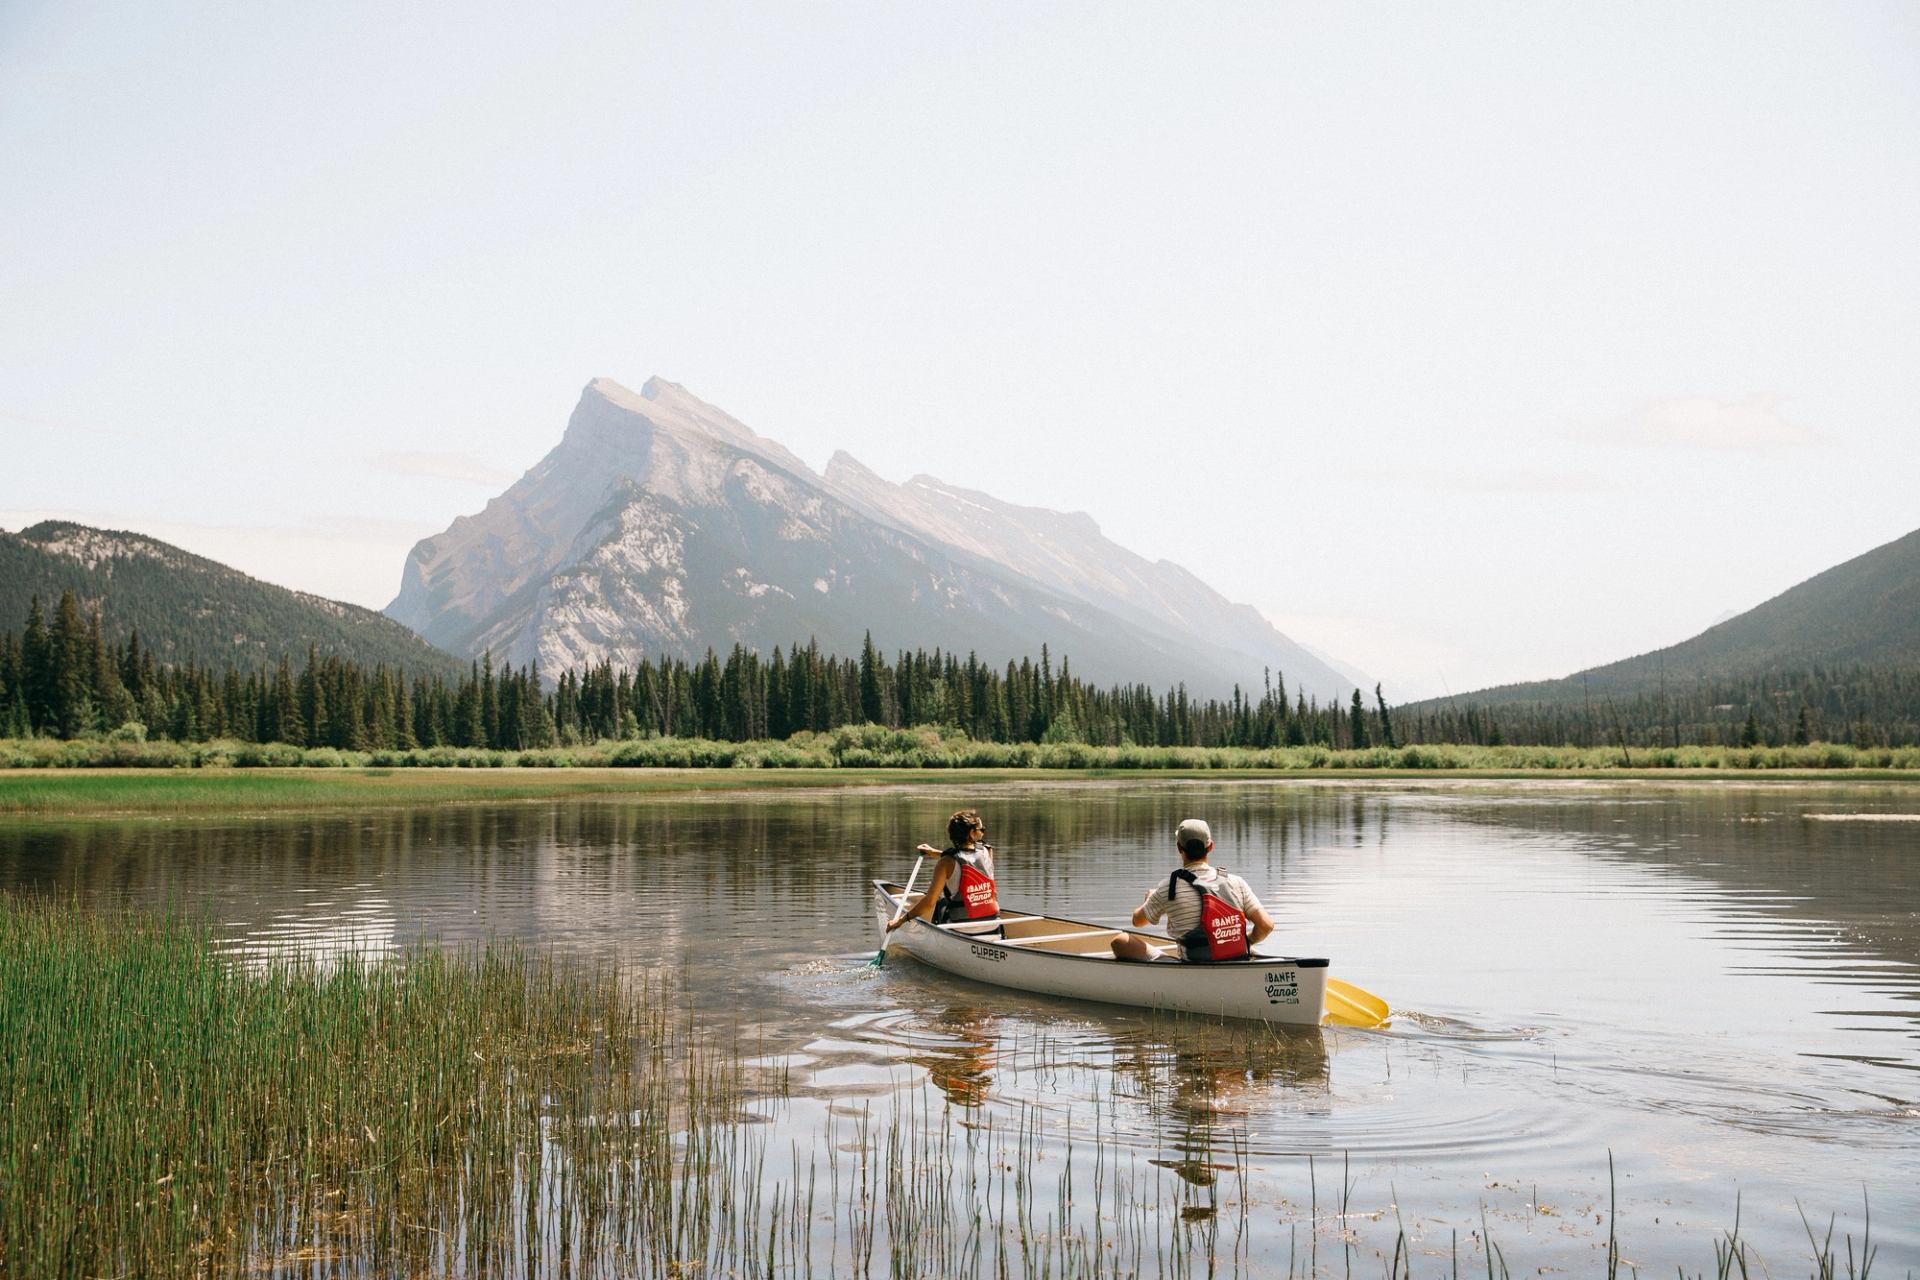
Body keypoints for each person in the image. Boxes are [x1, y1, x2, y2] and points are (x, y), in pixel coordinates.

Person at [1110, 818, 1275, 962]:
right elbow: (1266, 925)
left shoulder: (1169, 887)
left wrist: (1149, 900)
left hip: (1194, 964)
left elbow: (1137, 922)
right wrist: (1247, 941)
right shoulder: (1236, 882)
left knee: (1120, 940)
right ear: (1210, 847)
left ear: (1179, 848)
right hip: (1236, 958)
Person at [885, 808, 1000, 935]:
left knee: (940, 903)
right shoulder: (987, 852)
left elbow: (929, 902)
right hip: (993, 925)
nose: (983, 833)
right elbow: (970, 860)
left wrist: (901, 920)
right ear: (972, 833)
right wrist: (936, 853)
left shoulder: (945, 863)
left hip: (962, 929)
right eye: (982, 830)